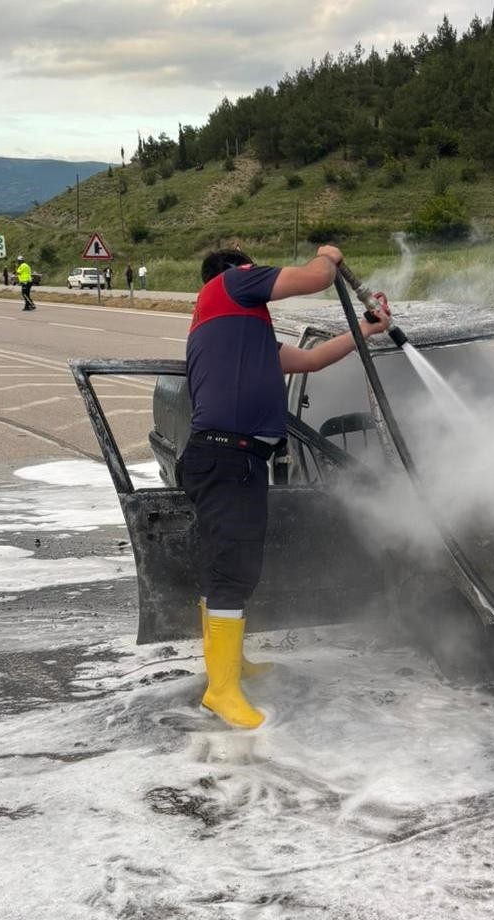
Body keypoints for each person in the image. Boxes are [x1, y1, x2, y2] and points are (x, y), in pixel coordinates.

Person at [181, 244, 390, 729]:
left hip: (231, 458)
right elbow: (316, 278)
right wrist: (330, 255)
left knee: (229, 567)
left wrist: (367, 329)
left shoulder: (239, 333)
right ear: (237, 274)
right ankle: (221, 690)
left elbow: (312, 362)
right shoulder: (229, 284)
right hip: (226, 457)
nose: (258, 279)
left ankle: (230, 667)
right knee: (232, 572)